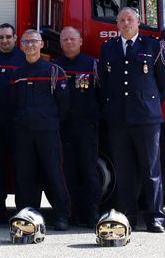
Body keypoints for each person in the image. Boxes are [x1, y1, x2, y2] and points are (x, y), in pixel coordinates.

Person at [99, 7, 165, 233]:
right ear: (117, 24)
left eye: (129, 19)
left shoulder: (153, 45)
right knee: (124, 171)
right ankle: (128, 217)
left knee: (150, 170)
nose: (125, 23)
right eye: (121, 20)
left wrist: (149, 104)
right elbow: (104, 82)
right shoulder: (108, 48)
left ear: (138, 22)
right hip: (118, 119)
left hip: (146, 119)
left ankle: (155, 218)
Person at [10, 29, 71, 231]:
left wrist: (49, 122)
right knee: (25, 175)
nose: (30, 45)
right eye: (26, 42)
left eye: (34, 41)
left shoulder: (54, 72)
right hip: (23, 133)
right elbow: (13, 103)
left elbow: (64, 106)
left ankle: (62, 215)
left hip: (48, 132)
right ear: (21, 46)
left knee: (54, 173)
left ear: (41, 44)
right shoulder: (17, 74)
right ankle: (27, 215)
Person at [53, 26, 101, 227]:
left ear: (81, 41)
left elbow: (102, 95)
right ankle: (71, 214)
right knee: (68, 173)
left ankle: (91, 214)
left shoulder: (92, 65)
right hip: (63, 128)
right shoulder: (55, 67)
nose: (69, 43)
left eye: (73, 39)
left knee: (89, 171)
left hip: (86, 127)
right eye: (65, 40)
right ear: (60, 43)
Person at [0, 23, 25, 223]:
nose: (5, 40)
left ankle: (21, 211)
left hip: (18, 126)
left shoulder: (24, 60)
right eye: (1, 37)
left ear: (15, 37)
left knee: (21, 168)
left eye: (8, 36)